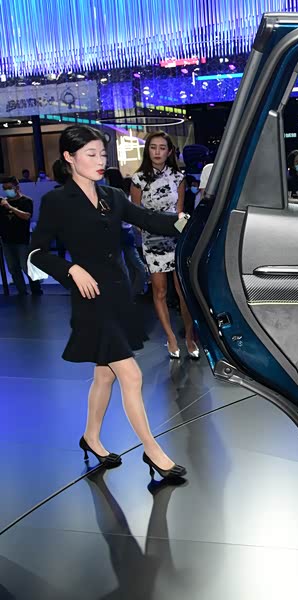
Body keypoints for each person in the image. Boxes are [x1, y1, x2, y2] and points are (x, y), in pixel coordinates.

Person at [28, 125, 187, 479]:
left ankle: (91, 437)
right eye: (91, 154)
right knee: (131, 374)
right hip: (90, 300)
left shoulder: (112, 196)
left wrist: (181, 222)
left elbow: (147, 219)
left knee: (104, 376)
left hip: (118, 295)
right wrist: (71, 270)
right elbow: (37, 252)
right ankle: (152, 451)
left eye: (102, 154)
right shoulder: (56, 201)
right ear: (69, 158)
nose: (100, 160)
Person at [130, 131, 199, 360]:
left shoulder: (178, 177)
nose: (157, 152)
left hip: (176, 239)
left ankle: (189, 337)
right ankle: (170, 338)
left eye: (162, 148)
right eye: (153, 147)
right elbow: (136, 215)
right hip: (152, 241)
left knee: (183, 291)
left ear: (169, 151)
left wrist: (181, 225)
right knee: (160, 291)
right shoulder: (138, 179)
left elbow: (179, 211)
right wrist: (148, 229)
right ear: (147, 150)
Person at [104, 167, 148, 297]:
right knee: (129, 263)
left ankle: (134, 291)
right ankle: (133, 291)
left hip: (123, 231)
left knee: (133, 264)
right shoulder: (119, 194)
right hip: (124, 231)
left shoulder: (116, 194)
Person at [0, 176, 42, 295]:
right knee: (13, 268)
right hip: (7, 241)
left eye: (9, 188)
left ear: (17, 187)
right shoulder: (2, 203)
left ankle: (36, 290)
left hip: (22, 240)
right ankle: (21, 291)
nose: (7, 191)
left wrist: (10, 207)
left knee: (26, 267)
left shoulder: (26, 201)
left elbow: (26, 216)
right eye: (4, 188)